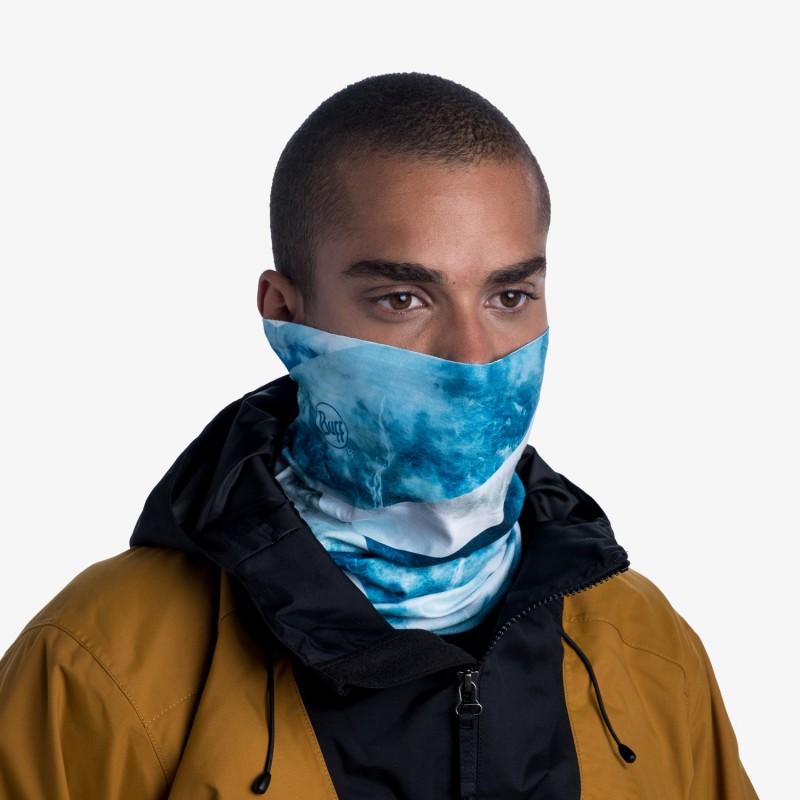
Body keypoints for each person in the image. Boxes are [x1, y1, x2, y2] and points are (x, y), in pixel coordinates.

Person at [0, 73, 756, 799]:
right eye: (403, 298)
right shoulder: (101, 664)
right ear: (287, 315)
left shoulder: (647, 649)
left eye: (509, 295)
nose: (473, 357)